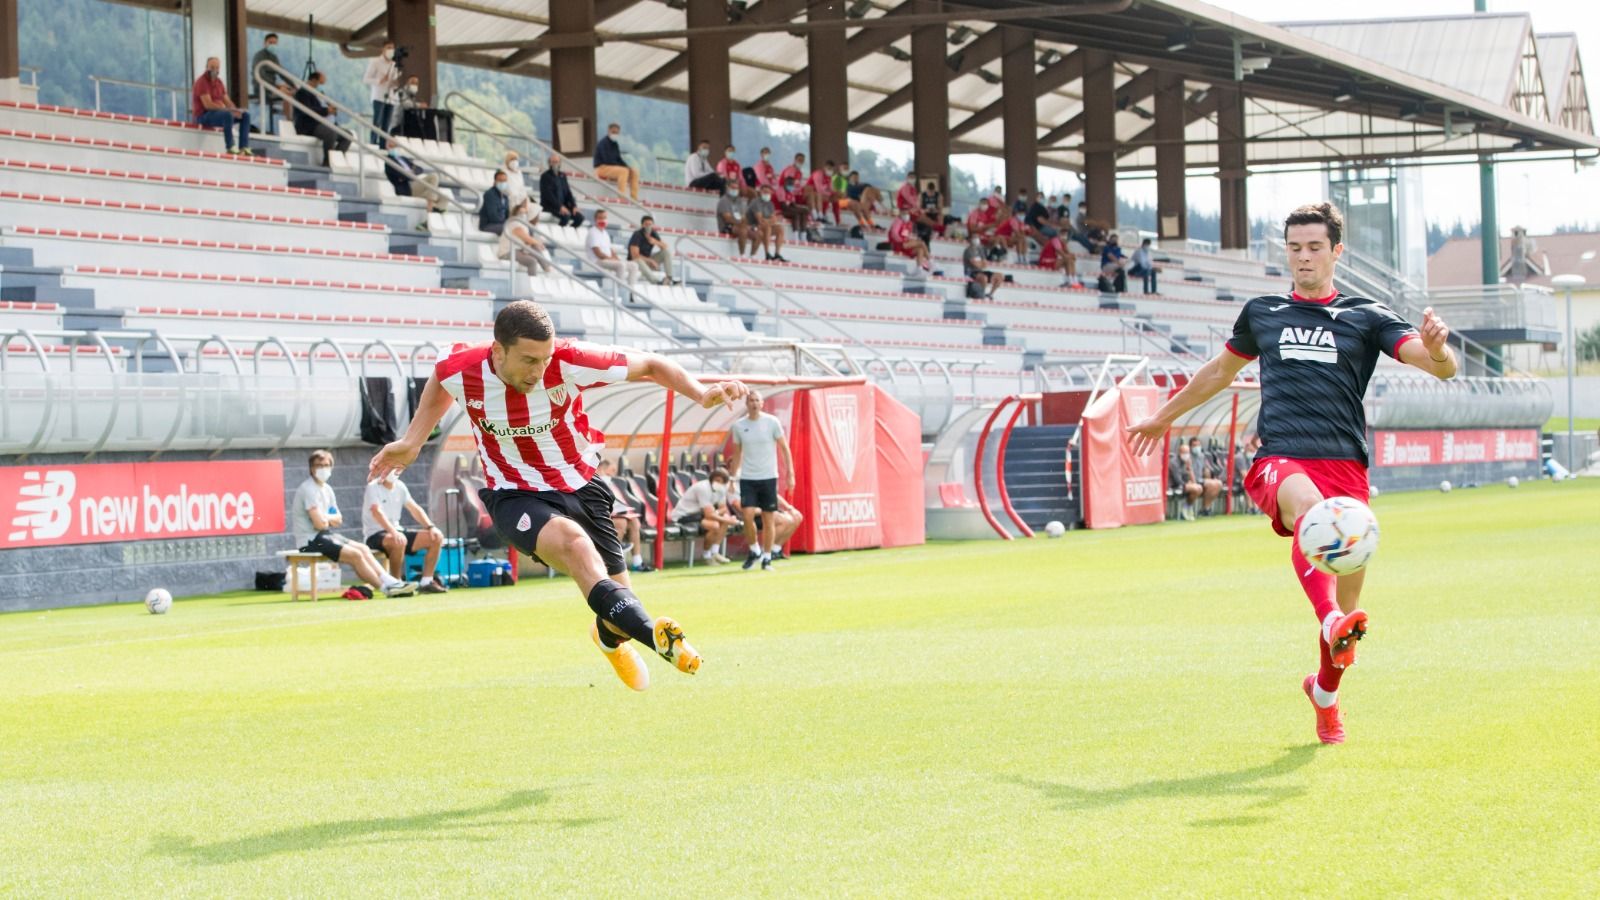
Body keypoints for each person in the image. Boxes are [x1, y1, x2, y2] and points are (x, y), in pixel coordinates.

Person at [1125, 201, 1459, 744]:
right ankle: (1328, 618)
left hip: (1346, 468)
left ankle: (1325, 693)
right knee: (1311, 513)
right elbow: (1218, 372)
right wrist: (1164, 416)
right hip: (1282, 457)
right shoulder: (1263, 312)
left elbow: (1436, 365)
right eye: (1295, 248)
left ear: (1336, 251)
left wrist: (1441, 352)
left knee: (1348, 624)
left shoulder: (1367, 315)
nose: (1304, 257)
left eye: (1314, 247)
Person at [368, 300, 750, 690]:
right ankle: (658, 639)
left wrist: (701, 394)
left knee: (618, 610)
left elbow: (651, 365)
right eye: (529, 360)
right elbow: (441, 379)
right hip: (514, 493)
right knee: (575, 546)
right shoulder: (464, 367)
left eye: (545, 359)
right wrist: (413, 441)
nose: (539, 371)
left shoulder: (570, 360)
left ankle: (609, 638)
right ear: (498, 351)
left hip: (581, 485)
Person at [294, 450, 416, 598]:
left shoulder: (327, 489)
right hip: (309, 540)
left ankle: (392, 581)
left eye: (326, 465)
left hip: (325, 535)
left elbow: (338, 519)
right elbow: (319, 524)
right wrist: (326, 519)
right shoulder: (308, 489)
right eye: (318, 465)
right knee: (355, 555)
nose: (323, 469)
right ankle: (386, 588)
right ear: (311, 468)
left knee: (363, 549)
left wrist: (323, 517)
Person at [727, 390, 793, 571]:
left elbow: (784, 448)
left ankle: (767, 557)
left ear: (762, 403)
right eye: (751, 400)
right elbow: (737, 454)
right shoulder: (739, 426)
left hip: (768, 477)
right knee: (747, 515)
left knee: (768, 519)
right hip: (748, 477)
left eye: (757, 400)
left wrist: (790, 473)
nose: (754, 403)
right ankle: (754, 549)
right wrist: (732, 478)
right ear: (746, 404)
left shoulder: (772, 422)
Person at [362, 469, 448, 593]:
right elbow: (377, 512)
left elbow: (414, 508)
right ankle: (397, 584)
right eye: (389, 467)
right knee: (399, 541)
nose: (393, 471)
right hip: (375, 535)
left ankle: (426, 582)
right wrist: (393, 532)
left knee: (436, 537)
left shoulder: (400, 486)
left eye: (396, 467)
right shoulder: (372, 487)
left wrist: (431, 527)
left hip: (398, 532)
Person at [670, 468, 737, 566]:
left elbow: (723, 508)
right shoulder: (702, 488)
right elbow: (708, 514)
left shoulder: (722, 489)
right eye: (717, 480)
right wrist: (728, 520)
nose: (719, 483)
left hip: (700, 515)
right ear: (712, 479)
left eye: (722, 482)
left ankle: (715, 552)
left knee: (724, 521)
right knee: (714, 525)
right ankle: (706, 556)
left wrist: (719, 514)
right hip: (685, 515)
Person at [596, 459, 651, 573]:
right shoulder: (594, 480)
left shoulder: (611, 482)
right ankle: (614, 564)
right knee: (621, 522)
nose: (613, 474)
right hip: (596, 516)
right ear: (601, 468)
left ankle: (637, 563)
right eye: (612, 470)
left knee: (634, 521)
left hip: (610, 514)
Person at [191, 57, 251, 155]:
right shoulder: (201, 82)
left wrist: (236, 110)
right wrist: (226, 109)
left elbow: (227, 101)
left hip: (218, 114)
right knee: (227, 115)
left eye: (217, 67)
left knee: (245, 115)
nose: (214, 70)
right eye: (212, 67)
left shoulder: (219, 83)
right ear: (206, 67)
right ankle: (230, 146)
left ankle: (244, 147)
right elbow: (208, 105)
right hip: (203, 116)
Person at [291, 71, 350, 167]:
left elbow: (324, 108)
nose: (320, 86)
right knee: (330, 133)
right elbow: (308, 111)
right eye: (320, 83)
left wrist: (331, 110)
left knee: (347, 135)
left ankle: (336, 160)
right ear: (314, 80)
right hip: (310, 125)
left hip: (325, 123)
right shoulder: (302, 93)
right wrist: (326, 111)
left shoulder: (319, 95)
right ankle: (327, 162)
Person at [499, 198, 555, 276]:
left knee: (535, 247)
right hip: (507, 252)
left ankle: (547, 269)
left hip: (518, 250)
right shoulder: (514, 222)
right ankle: (536, 279)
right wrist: (538, 243)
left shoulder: (523, 224)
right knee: (532, 261)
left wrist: (537, 244)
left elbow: (527, 242)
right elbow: (525, 238)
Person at [362, 41, 402, 146]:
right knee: (377, 121)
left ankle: (383, 144)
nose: (391, 50)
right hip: (379, 96)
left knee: (386, 123)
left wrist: (396, 83)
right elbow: (366, 79)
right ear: (383, 49)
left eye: (392, 48)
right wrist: (379, 80)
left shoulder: (394, 64)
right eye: (388, 47)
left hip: (391, 97)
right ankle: (373, 142)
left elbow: (394, 81)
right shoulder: (375, 62)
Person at [593, 122, 640, 201]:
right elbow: (607, 160)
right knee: (623, 171)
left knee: (634, 172)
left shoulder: (615, 144)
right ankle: (621, 198)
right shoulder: (603, 143)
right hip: (601, 168)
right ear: (609, 131)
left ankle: (634, 198)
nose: (615, 134)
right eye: (613, 132)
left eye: (617, 133)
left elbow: (618, 159)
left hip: (613, 168)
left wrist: (628, 167)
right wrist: (623, 168)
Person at [586, 209, 632, 283]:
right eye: (600, 218)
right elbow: (598, 253)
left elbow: (610, 250)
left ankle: (630, 289)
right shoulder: (593, 232)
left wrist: (617, 258)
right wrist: (611, 259)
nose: (603, 220)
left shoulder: (605, 233)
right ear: (595, 219)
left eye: (604, 218)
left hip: (607, 259)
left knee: (634, 266)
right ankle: (619, 288)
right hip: (598, 261)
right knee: (621, 265)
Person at [628, 215, 676, 285]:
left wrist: (655, 241)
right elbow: (635, 256)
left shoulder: (653, 233)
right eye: (646, 224)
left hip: (647, 262)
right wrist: (650, 260)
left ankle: (669, 278)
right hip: (635, 263)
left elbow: (665, 247)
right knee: (638, 260)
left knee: (666, 252)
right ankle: (655, 281)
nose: (648, 226)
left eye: (650, 224)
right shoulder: (637, 235)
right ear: (642, 225)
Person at [539, 155, 585, 228]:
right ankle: (558, 232)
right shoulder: (545, 176)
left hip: (563, 206)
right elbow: (548, 195)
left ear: (560, 163)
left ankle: (569, 232)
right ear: (549, 163)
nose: (555, 164)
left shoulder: (562, 176)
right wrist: (560, 207)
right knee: (566, 216)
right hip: (550, 206)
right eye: (553, 162)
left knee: (580, 218)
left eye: (557, 162)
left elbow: (568, 193)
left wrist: (574, 206)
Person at [745, 186, 788, 263]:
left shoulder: (770, 204)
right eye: (765, 192)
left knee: (780, 229)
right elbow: (760, 220)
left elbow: (774, 219)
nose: (767, 194)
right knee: (767, 227)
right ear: (760, 192)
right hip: (752, 226)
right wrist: (770, 220)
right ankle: (767, 253)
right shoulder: (756, 202)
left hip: (763, 225)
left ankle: (777, 254)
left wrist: (768, 220)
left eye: (768, 192)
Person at [250, 33, 281, 136]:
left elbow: (281, 72)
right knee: (286, 95)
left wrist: (293, 85)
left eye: (275, 43)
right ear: (265, 43)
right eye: (270, 42)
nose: (273, 45)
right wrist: (276, 87)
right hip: (261, 87)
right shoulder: (259, 56)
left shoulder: (274, 57)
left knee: (290, 92)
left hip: (271, 86)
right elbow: (261, 75)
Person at [963, 234, 1001, 298]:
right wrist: (980, 264)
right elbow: (975, 264)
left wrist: (979, 263)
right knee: (984, 278)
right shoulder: (968, 251)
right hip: (971, 272)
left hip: (980, 271)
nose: (976, 239)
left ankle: (990, 294)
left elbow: (985, 264)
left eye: (977, 237)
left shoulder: (980, 250)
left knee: (999, 276)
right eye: (974, 237)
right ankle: (982, 295)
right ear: (970, 240)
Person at [717, 184, 750, 257]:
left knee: (758, 233)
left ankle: (753, 255)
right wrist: (740, 222)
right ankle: (742, 255)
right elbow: (727, 218)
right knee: (743, 230)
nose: (735, 190)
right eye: (733, 188)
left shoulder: (739, 201)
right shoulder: (724, 200)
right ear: (728, 188)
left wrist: (745, 222)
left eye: (736, 188)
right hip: (726, 226)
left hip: (739, 224)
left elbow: (743, 216)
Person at [478, 169, 511, 236]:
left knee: (522, 228)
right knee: (511, 229)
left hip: (501, 224)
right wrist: (506, 223)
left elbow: (507, 214)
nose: (503, 183)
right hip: (489, 225)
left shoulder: (505, 197)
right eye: (500, 180)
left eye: (504, 181)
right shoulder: (490, 194)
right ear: (495, 182)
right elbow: (493, 216)